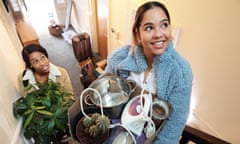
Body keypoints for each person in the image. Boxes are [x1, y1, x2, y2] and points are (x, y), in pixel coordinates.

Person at [104, 1, 193, 144]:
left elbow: (173, 128)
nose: (159, 34)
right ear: (137, 33)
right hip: (115, 130)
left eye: (164, 25)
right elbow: (104, 95)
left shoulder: (180, 72)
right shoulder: (119, 58)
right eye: (149, 27)